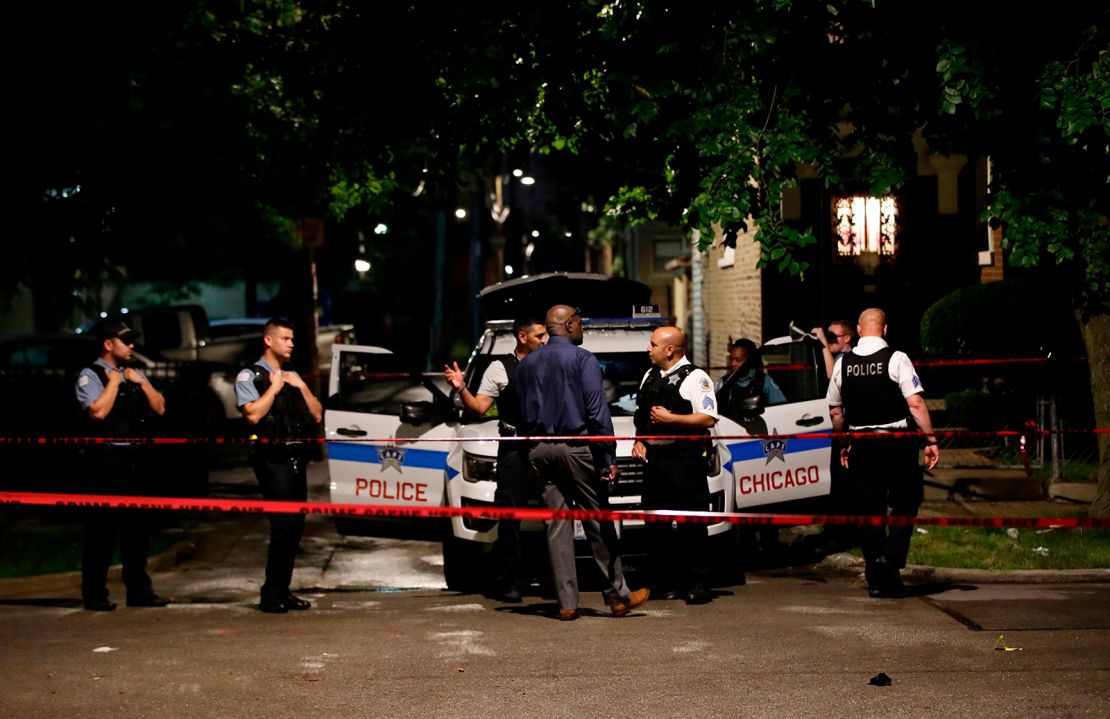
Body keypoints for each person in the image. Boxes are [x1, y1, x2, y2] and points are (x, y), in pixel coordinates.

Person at [515, 304, 650, 620]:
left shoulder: (527, 364)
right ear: (568, 324)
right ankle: (619, 596)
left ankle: (567, 604)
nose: (583, 327)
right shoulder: (583, 359)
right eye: (579, 321)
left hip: (539, 450)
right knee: (598, 520)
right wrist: (606, 458)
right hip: (577, 448)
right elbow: (597, 413)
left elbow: (521, 414)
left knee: (556, 525)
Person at [826, 308, 940, 598]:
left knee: (869, 510)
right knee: (906, 502)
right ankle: (891, 558)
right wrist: (931, 439)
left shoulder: (843, 364)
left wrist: (843, 443)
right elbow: (915, 403)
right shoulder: (897, 358)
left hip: (862, 444)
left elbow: (835, 410)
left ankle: (876, 578)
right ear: (885, 330)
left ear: (861, 331)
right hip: (897, 443)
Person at [444, 316, 547, 603]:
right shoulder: (500, 367)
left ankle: (555, 578)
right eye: (539, 336)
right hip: (513, 449)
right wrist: (461, 387)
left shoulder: (551, 363)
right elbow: (478, 407)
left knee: (556, 514)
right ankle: (511, 582)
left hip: (546, 447)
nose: (545, 340)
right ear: (523, 337)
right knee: (509, 517)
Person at [74, 320, 169, 611]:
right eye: (125, 341)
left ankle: (139, 591)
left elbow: (160, 407)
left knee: (138, 531)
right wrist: (114, 382)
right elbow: (98, 412)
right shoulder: (90, 376)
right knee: (101, 532)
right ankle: (95, 594)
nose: (131, 346)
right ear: (108, 344)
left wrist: (141, 383)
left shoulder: (135, 373)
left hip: (136, 460)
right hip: (106, 461)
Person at [236, 317, 323, 614]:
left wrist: (302, 387)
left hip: (295, 457)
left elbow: (316, 414)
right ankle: (271, 594)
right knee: (283, 525)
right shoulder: (250, 376)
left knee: (295, 527)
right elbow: (252, 416)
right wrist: (273, 388)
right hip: (271, 459)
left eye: (292, 339)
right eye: (285, 338)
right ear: (268, 340)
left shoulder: (292, 375)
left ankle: (282, 590)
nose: (291, 344)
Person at [631, 326, 719, 604]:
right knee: (655, 524)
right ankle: (663, 583)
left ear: (670, 350)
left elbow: (707, 418)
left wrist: (673, 420)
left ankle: (698, 583)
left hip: (684, 461)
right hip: (655, 461)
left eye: (653, 344)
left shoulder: (696, 378)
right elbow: (641, 415)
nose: (649, 348)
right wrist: (640, 440)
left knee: (690, 524)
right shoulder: (650, 376)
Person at [715, 338, 786, 413]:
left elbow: (782, 409)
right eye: (731, 359)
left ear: (749, 360)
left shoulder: (765, 381)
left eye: (738, 360)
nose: (733, 364)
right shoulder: (723, 383)